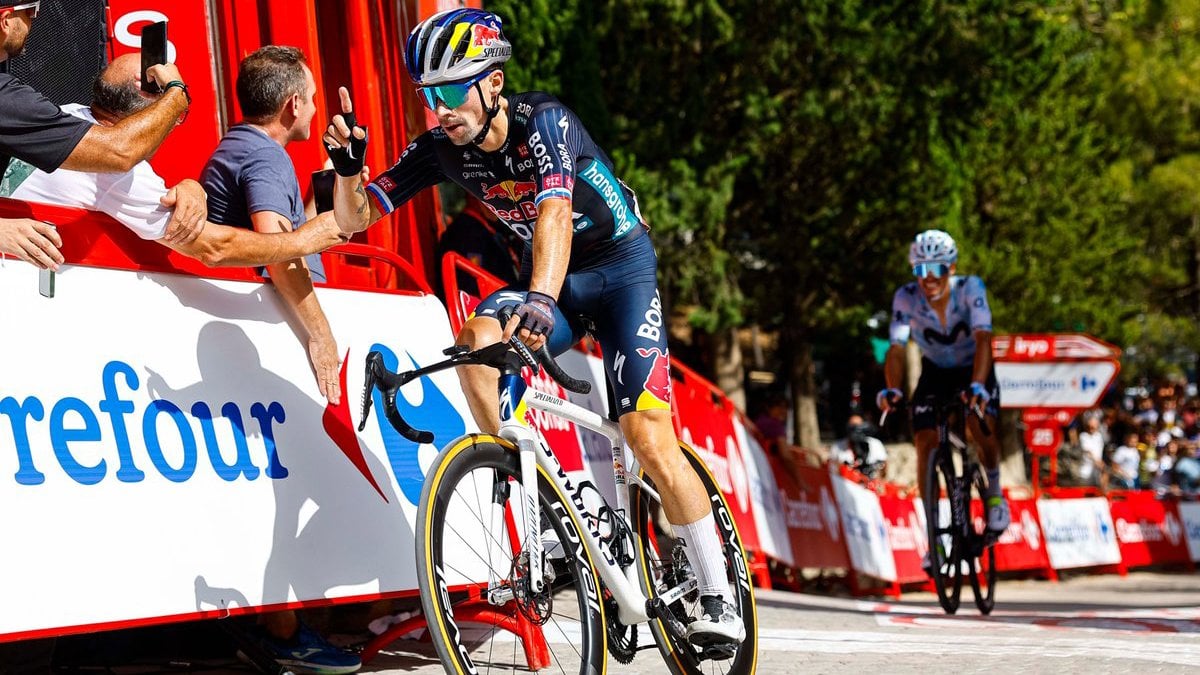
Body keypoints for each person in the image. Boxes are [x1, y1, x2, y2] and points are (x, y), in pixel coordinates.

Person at [323, 9, 744, 646]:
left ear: (492, 83)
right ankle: (560, 493)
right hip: (556, 279)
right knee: (475, 346)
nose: (438, 109)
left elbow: (553, 212)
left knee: (647, 435)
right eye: (426, 95)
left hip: (620, 269)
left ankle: (718, 594)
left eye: (448, 90)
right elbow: (355, 220)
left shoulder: (545, 122)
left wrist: (540, 304)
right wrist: (350, 171)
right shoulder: (441, 148)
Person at [200, 45, 359, 675]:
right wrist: (320, 334)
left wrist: (336, 172)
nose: (317, 108)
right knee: (290, 483)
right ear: (292, 104)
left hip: (256, 334)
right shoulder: (264, 157)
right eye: (313, 98)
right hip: (272, 334)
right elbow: (277, 249)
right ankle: (282, 629)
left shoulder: (249, 150)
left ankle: (294, 621)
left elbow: (296, 231)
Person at [1, 54, 345, 266]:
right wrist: (304, 241)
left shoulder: (65, 115)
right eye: (173, 113)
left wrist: (194, 188)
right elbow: (213, 249)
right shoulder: (122, 175)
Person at [0, 0, 196, 269]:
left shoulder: (63, 111)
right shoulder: (6, 100)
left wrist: (192, 188)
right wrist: (177, 93)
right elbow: (119, 152)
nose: (35, 21)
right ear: (6, 20)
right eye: (31, 12)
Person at [876, 230, 1009, 573]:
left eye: (936, 268)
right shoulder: (905, 298)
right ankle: (934, 535)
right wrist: (893, 389)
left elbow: (984, 338)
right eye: (921, 270)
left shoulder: (970, 289)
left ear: (951, 268)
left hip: (973, 368)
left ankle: (994, 492)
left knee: (977, 425)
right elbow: (896, 348)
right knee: (924, 441)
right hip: (936, 370)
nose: (929, 278)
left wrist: (978, 385)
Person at [436, 194, 523, 294]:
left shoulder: (490, 228)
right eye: (494, 198)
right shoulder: (467, 231)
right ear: (475, 197)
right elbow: (472, 283)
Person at [830, 412, 888, 479]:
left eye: (857, 426)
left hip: (870, 483)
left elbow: (884, 468)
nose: (855, 431)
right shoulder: (837, 446)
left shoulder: (875, 444)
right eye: (852, 427)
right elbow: (833, 470)